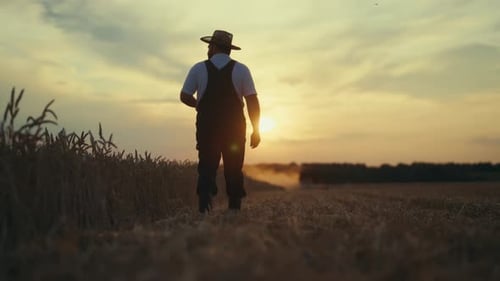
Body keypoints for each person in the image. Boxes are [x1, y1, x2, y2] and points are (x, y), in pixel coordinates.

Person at [180, 30, 261, 213]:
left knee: (207, 167)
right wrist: (256, 129)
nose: (208, 48)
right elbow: (252, 101)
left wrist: (199, 105)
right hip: (234, 127)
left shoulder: (198, 68)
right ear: (229, 50)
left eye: (209, 46)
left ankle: (204, 209)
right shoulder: (242, 69)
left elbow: (184, 95)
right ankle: (234, 211)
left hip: (207, 126)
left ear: (214, 47)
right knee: (233, 168)